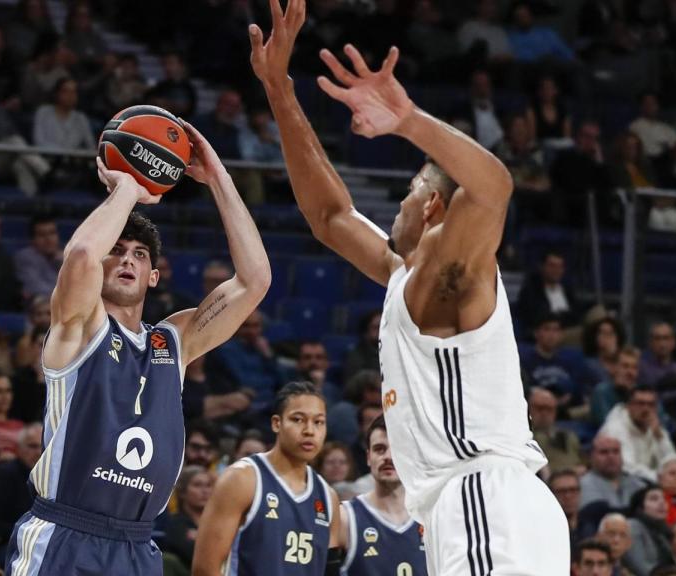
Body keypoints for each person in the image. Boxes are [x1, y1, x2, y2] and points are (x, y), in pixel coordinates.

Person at [249, 1, 568, 572]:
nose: (400, 200)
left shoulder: (451, 271)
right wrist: (279, 88)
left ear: (434, 207)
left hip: (480, 494)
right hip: (483, 503)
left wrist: (409, 120)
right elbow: (328, 216)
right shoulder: (407, 277)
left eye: (411, 188)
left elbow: (494, 186)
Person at [4, 118, 270, 576]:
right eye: (119, 249)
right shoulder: (78, 326)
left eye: (140, 254)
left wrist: (218, 179)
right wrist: (127, 188)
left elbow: (254, 280)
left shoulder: (174, 341)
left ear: (153, 276)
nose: (126, 258)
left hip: (138, 545)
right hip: (65, 535)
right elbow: (83, 256)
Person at [192, 382, 340, 575]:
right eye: (298, 419)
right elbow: (204, 569)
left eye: (318, 422)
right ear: (276, 423)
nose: (310, 431)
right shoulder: (242, 479)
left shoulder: (329, 498)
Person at [338, 415, 427, 576]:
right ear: (368, 457)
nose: (388, 457)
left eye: (397, 449)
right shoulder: (345, 517)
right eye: (380, 449)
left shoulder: (430, 517)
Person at [0, 423, 42, 566]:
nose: (39, 452)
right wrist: (28, 534)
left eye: (42, 446)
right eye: (32, 446)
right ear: (18, 449)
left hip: (36, 544)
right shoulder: (6, 475)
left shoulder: (50, 478)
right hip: (7, 545)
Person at [163, 466, 214, 569]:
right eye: (197, 485)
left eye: (208, 485)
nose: (205, 491)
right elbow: (191, 555)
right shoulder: (176, 523)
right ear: (182, 492)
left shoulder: (219, 523)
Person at [579, 435, 646, 510]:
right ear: (591, 457)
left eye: (616, 451)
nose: (611, 456)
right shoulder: (582, 486)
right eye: (603, 452)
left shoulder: (638, 484)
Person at [625, 485, 674, 576]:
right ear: (640, 506)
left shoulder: (663, 530)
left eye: (665, 499)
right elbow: (640, 568)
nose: (662, 503)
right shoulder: (632, 526)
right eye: (654, 499)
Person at [14, 216, 63, 302]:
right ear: (33, 240)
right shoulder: (25, 257)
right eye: (42, 235)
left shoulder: (64, 257)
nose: (48, 239)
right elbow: (36, 288)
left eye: (52, 233)